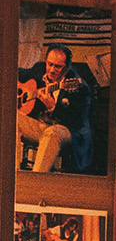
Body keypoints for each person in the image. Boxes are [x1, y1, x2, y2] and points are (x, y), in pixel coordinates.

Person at [16, 43, 93, 173]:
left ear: (67, 67)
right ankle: (13, 174)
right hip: (41, 125)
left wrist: (52, 107)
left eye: (58, 66)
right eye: (50, 64)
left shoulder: (79, 87)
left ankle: (36, 179)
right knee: (11, 118)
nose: (52, 69)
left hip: (68, 131)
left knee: (53, 132)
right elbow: (16, 73)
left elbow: (76, 123)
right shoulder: (39, 69)